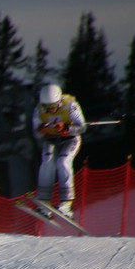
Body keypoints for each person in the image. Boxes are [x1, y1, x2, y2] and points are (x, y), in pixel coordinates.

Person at [32, 83, 87, 217]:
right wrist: (41, 129)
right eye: (46, 107)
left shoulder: (70, 105)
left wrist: (66, 128)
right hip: (51, 139)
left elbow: (82, 127)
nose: (50, 110)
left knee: (63, 162)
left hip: (70, 139)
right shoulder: (38, 110)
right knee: (47, 162)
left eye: (52, 107)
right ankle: (44, 201)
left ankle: (66, 203)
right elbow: (35, 132)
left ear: (59, 101)